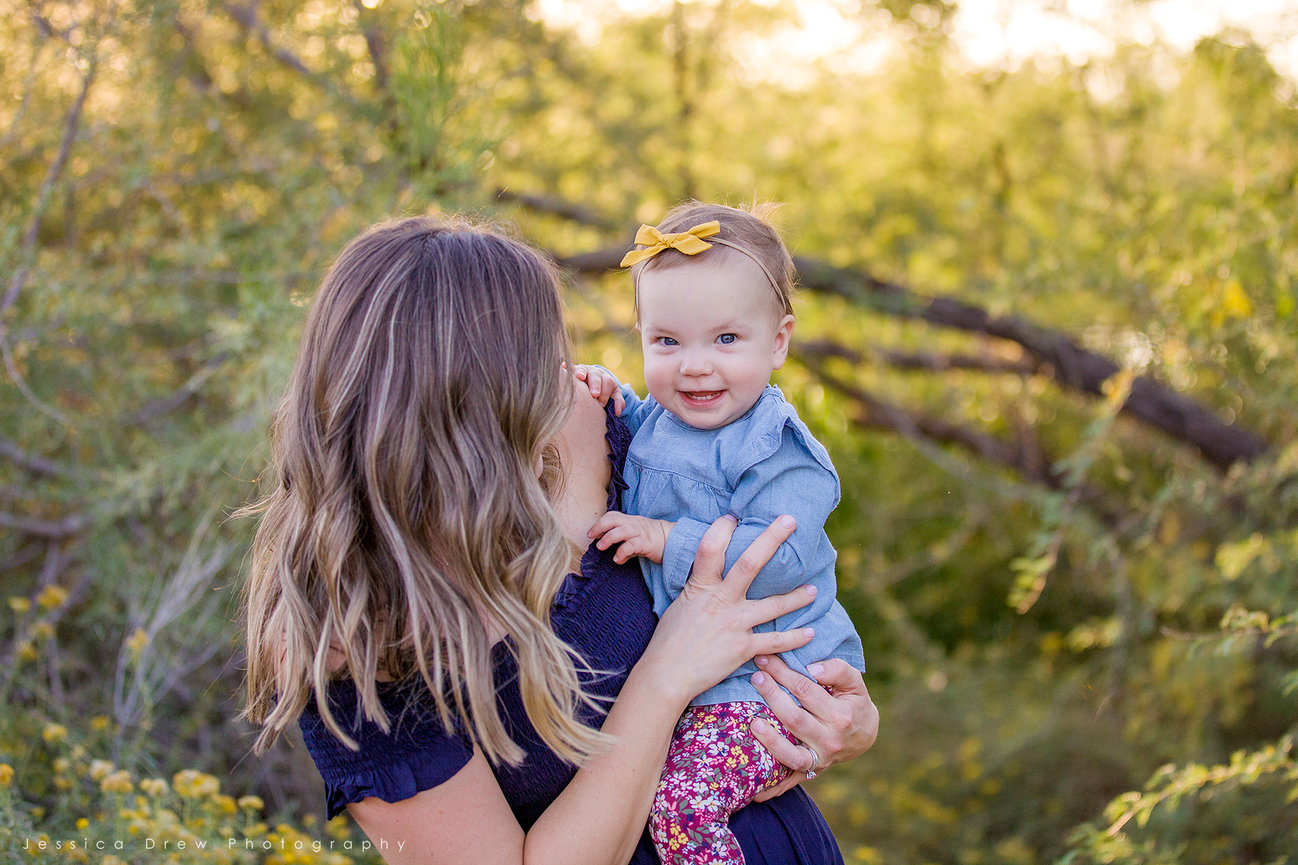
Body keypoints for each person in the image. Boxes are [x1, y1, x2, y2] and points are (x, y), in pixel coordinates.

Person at [241, 216, 878, 865]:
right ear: (450, 390)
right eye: (533, 357)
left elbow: (769, 560)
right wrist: (666, 673)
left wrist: (844, 721)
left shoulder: (592, 422)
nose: (561, 371)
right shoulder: (350, 641)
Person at [574, 201, 866, 864]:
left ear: (779, 342)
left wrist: (665, 538)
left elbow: (780, 557)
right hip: (710, 686)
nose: (695, 365)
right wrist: (606, 391)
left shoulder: (774, 445)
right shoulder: (660, 419)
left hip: (771, 686)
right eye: (667, 342)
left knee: (682, 805)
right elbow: (629, 433)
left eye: (726, 339)